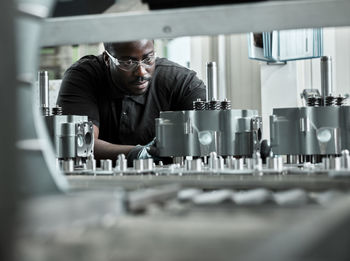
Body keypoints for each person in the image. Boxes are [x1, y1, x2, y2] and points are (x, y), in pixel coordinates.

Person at [57, 39, 206, 165]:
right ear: (108, 59)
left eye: (148, 59)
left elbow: (206, 138)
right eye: (128, 62)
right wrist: (138, 153)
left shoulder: (181, 82)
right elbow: (80, 143)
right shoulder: (83, 77)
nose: (141, 71)